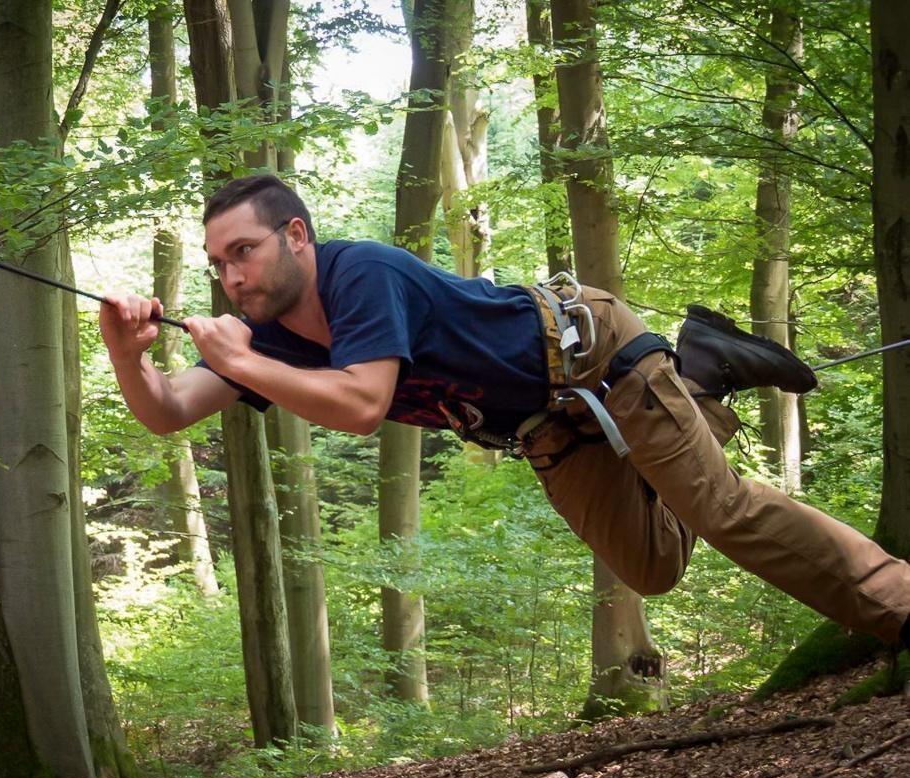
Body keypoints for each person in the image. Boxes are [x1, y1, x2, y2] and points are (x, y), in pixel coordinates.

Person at [100, 174, 910, 648]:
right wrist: (127, 356)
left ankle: (898, 604)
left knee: (720, 509)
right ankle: (700, 376)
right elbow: (169, 410)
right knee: (652, 568)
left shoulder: (361, 276)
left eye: (243, 251)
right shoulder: (271, 339)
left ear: (296, 236)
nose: (231, 278)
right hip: (545, 427)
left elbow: (362, 404)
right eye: (218, 264)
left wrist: (241, 360)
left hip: (594, 355)